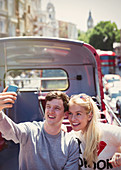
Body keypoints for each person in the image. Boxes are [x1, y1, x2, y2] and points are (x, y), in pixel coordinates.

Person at [0, 87, 79, 170]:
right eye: (48, 107)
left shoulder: (71, 143)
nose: (51, 111)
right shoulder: (30, 130)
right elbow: (10, 132)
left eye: (57, 108)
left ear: (65, 114)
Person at [67, 93, 121, 170]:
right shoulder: (72, 137)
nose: (72, 119)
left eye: (78, 114)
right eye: (70, 113)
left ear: (89, 116)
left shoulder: (110, 131)